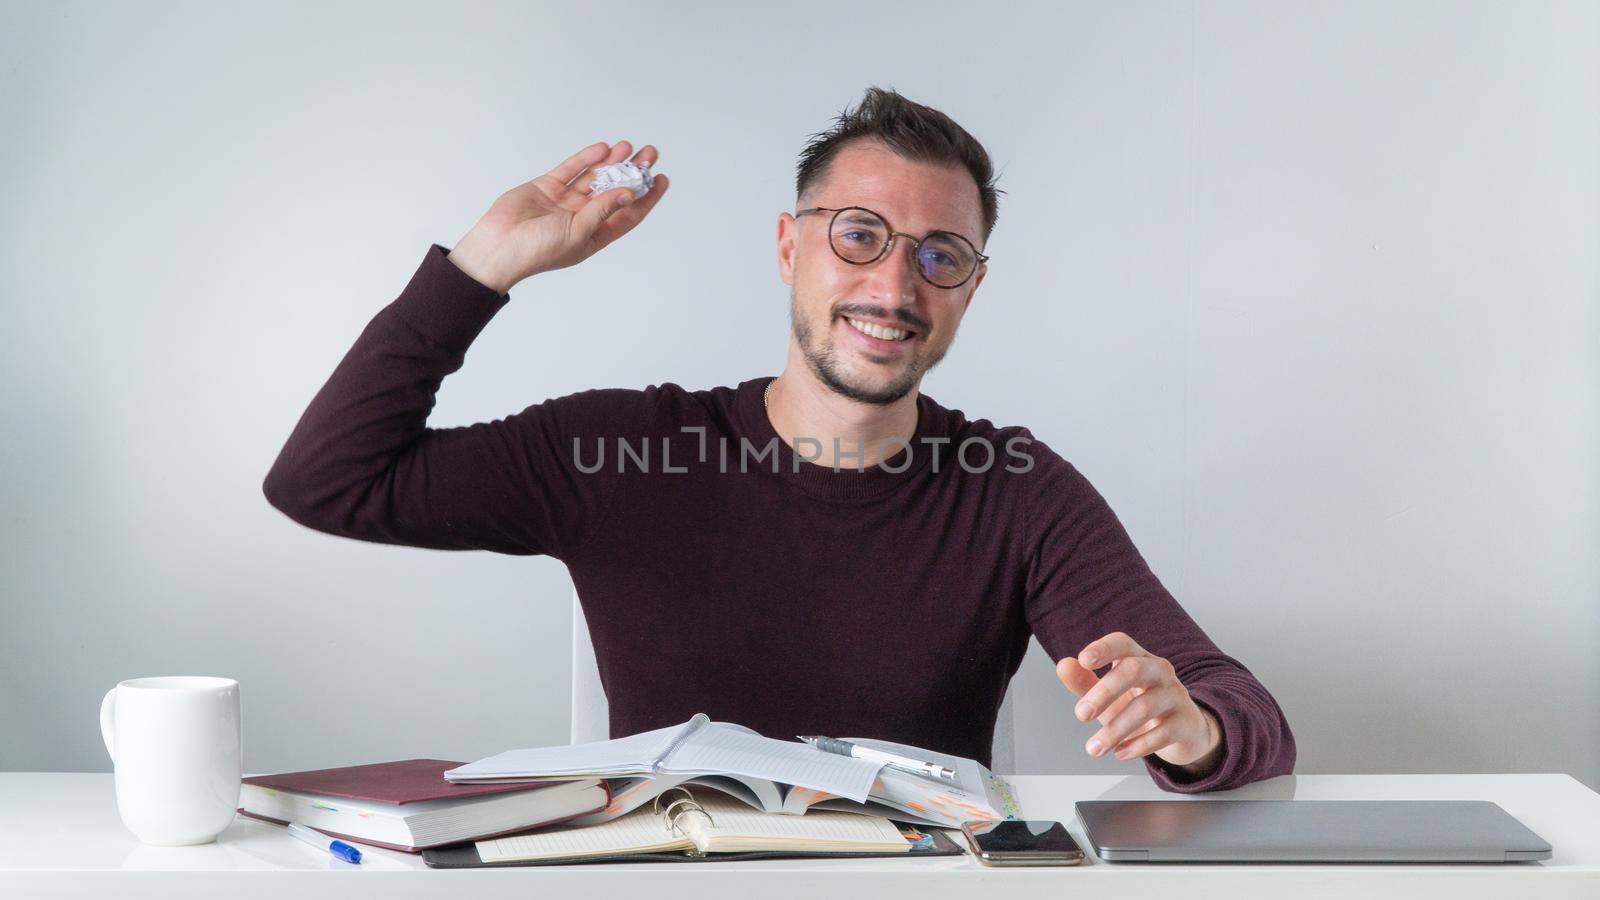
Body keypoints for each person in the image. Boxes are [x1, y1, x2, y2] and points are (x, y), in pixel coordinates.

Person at [264, 86, 1295, 792]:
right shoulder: (625, 448)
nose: (893, 288)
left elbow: (1247, 718)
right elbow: (326, 481)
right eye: (858, 236)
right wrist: (481, 266)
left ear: (971, 288)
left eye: (940, 257)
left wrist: (1189, 729)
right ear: (788, 246)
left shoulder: (1012, 487)